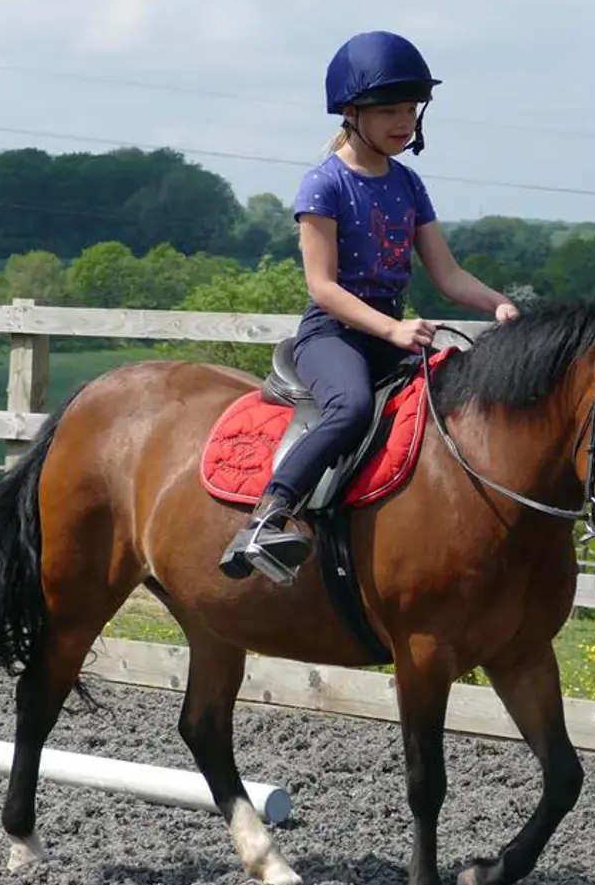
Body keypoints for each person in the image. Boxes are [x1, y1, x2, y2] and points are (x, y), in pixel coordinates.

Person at [219, 30, 522, 584]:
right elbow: (323, 288)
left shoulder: (408, 184)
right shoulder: (324, 184)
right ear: (353, 112)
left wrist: (498, 302)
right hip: (333, 335)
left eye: (411, 109)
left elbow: (447, 274)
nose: (405, 122)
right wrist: (394, 328)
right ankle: (269, 516)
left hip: (390, 335)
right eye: (390, 111)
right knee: (351, 407)